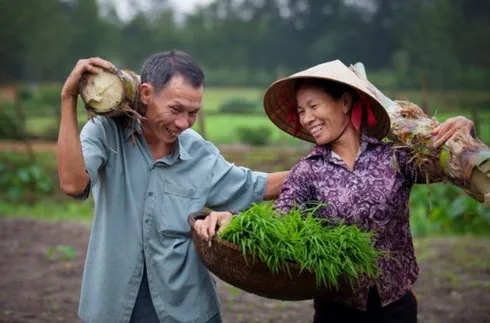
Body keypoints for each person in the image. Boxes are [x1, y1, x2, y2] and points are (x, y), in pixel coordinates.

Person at [194, 60, 476, 323]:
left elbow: (455, 168)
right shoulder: (308, 171)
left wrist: (464, 133)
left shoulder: (394, 157)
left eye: (313, 106)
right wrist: (233, 221)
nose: (307, 118)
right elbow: (276, 227)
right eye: (301, 111)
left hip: (397, 305)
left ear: (344, 102)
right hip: (337, 309)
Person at [57, 50, 288, 323]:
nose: (183, 123)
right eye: (176, 109)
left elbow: (254, 186)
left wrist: (318, 170)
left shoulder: (198, 152)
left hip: (188, 308)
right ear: (145, 93)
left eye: (193, 113)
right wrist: (69, 98)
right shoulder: (106, 133)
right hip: (114, 304)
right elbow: (73, 184)